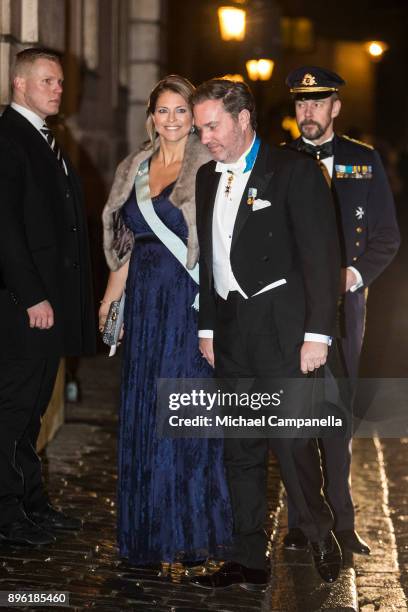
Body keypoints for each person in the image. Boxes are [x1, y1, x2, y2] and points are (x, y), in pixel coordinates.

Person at [190, 78, 342, 589]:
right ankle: (249, 557)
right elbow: (211, 261)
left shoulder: (293, 171)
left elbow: (322, 258)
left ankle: (318, 529)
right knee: (241, 446)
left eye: (212, 126)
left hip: (283, 326)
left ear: (243, 119)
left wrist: (317, 334)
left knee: (291, 441)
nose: (205, 137)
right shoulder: (208, 176)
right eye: (200, 128)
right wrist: (208, 326)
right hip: (233, 329)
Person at [100, 75, 232, 566]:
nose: (172, 120)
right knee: (144, 416)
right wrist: (112, 299)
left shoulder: (211, 166)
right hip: (144, 302)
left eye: (181, 111)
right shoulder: (133, 166)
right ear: (151, 116)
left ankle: (193, 534)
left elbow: (223, 243)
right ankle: (148, 537)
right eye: (163, 111)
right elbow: (125, 242)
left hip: (189, 302)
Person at [282, 66, 400, 555]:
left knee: (337, 419)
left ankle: (344, 523)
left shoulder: (363, 161)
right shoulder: (277, 161)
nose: (307, 112)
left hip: (343, 311)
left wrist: (352, 277)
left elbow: (386, 238)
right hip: (291, 312)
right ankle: (299, 521)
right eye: (300, 104)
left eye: (317, 103)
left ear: (335, 107)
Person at [0, 48, 95, 546]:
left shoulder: (45, 138)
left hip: (45, 308)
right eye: (48, 81)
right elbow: (5, 229)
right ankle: (6, 513)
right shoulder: (8, 138)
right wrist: (32, 295)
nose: (59, 89)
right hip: (21, 309)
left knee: (32, 410)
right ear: (19, 84)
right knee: (12, 411)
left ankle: (31, 502)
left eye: (60, 81)